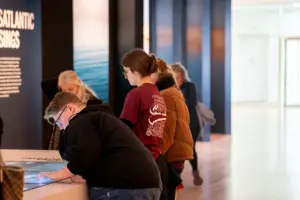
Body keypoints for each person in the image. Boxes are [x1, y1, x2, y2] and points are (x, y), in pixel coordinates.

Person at [41, 92, 162, 200]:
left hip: (125, 187)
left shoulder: (81, 121)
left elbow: (83, 156)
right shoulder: (98, 118)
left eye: (58, 121)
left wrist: (56, 176)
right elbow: (97, 154)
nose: (61, 127)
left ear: (71, 109)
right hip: (145, 184)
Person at [120, 49, 168, 199]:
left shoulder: (136, 94)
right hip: (157, 161)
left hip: (140, 164)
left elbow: (123, 130)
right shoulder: (157, 94)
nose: (126, 76)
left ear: (135, 71)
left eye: (126, 71)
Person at [151, 59, 194, 199]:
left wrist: (153, 156)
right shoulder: (174, 92)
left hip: (171, 156)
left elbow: (166, 132)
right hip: (178, 153)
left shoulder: (164, 95)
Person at [170, 63, 203, 186]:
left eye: (180, 77)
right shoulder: (169, 89)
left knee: (189, 149)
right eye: (176, 77)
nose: (179, 80)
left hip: (191, 125)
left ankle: (195, 172)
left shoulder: (190, 86)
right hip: (176, 126)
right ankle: (176, 177)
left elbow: (191, 102)